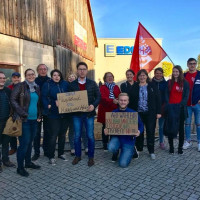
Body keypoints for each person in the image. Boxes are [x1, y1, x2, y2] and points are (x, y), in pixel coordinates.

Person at [11, 69, 41, 177]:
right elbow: (13, 99)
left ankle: (28, 163)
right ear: (25, 76)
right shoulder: (20, 86)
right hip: (24, 120)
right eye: (29, 74)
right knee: (24, 144)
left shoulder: (37, 87)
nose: (31, 76)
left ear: (35, 75)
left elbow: (38, 103)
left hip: (34, 120)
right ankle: (20, 167)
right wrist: (22, 112)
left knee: (30, 143)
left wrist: (39, 115)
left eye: (33, 74)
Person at [69, 62, 101, 167]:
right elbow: (67, 98)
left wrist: (93, 105)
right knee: (77, 136)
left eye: (84, 69)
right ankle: (77, 155)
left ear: (86, 71)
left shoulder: (92, 83)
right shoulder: (72, 84)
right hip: (76, 114)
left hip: (89, 114)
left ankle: (91, 157)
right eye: (80, 69)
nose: (82, 71)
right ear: (77, 71)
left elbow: (98, 97)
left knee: (90, 136)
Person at [129, 69, 161, 160]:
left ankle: (151, 151)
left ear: (147, 76)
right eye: (140, 75)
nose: (142, 77)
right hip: (138, 113)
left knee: (150, 131)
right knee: (139, 131)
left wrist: (158, 112)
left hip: (150, 113)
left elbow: (158, 99)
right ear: (138, 77)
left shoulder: (152, 85)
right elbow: (130, 100)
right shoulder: (135, 86)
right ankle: (139, 148)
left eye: (144, 75)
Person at [105, 93, 144, 168]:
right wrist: (106, 130)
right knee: (111, 147)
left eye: (125, 100)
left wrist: (139, 131)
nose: (123, 102)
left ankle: (133, 150)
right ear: (118, 101)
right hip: (117, 138)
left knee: (123, 164)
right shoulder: (113, 113)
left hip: (128, 140)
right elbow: (109, 127)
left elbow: (141, 125)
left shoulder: (133, 113)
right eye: (121, 100)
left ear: (128, 101)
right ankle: (116, 152)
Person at [42, 69, 69, 165]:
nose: (56, 77)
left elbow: (70, 95)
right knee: (53, 136)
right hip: (53, 114)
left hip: (65, 114)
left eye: (58, 75)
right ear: (52, 76)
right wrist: (51, 104)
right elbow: (44, 97)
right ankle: (51, 155)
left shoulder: (65, 84)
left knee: (62, 135)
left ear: (61, 76)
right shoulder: (48, 84)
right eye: (54, 75)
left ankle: (61, 153)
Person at [164, 65, 189, 154]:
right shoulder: (169, 82)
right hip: (171, 108)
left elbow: (186, 96)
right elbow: (166, 94)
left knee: (180, 129)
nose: (175, 73)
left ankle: (180, 148)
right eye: (174, 71)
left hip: (180, 108)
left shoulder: (185, 83)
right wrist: (168, 104)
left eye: (177, 72)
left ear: (180, 72)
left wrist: (181, 104)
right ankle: (171, 147)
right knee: (171, 128)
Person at [97, 72, 121, 154]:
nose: (110, 78)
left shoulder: (116, 86)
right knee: (105, 127)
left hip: (115, 110)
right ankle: (105, 143)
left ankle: (112, 143)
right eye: (108, 77)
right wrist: (112, 100)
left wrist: (118, 100)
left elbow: (119, 95)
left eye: (111, 76)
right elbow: (102, 97)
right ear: (105, 78)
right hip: (105, 110)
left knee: (114, 127)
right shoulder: (102, 87)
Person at [32, 64, 50, 161]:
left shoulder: (50, 80)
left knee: (47, 131)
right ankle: (36, 152)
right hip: (37, 109)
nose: (43, 71)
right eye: (40, 69)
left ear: (47, 70)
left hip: (47, 109)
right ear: (37, 71)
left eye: (44, 69)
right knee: (36, 132)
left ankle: (46, 150)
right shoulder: (34, 81)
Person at [67, 73, 88, 156]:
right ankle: (73, 148)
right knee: (72, 130)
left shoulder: (79, 86)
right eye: (69, 76)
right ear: (68, 79)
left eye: (73, 76)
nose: (71, 78)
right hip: (70, 113)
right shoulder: (66, 87)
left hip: (81, 112)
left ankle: (86, 147)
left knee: (83, 130)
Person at [0, 71, 16, 173]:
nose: (2, 79)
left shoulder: (8, 91)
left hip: (7, 121)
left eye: (4, 78)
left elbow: (14, 103)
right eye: (0, 78)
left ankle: (6, 160)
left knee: (6, 142)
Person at [183, 58, 200, 151]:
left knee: (198, 124)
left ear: (196, 64)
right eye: (190, 63)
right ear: (187, 64)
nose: (192, 65)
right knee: (187, 124)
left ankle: (199, 142)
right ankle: (188, 141)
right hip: (187, 105)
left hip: (197, 104)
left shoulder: (199, 74)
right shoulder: (184, 75)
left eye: (194, 63)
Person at [152, 68, 167, 150]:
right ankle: (151, 141)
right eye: (157, 73)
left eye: (160, 73)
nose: (158, 74)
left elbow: (167, 95)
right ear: (154, 74)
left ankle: (161, 141)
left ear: (162, 74)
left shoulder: (165, 83)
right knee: (152, 126)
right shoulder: (150, 83)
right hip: (152, 108)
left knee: (161, 127)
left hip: (162, 107)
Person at [8, 72, 21, 155]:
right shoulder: (8, 88)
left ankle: (21, 148)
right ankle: (13, 148)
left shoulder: (24, 86)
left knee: (21, 132)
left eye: (17, 77)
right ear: (12, 78)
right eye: (14, 77)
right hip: (11, 113)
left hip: (21, 113)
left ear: (20, 78)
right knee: (12, 132)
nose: (16, 79)